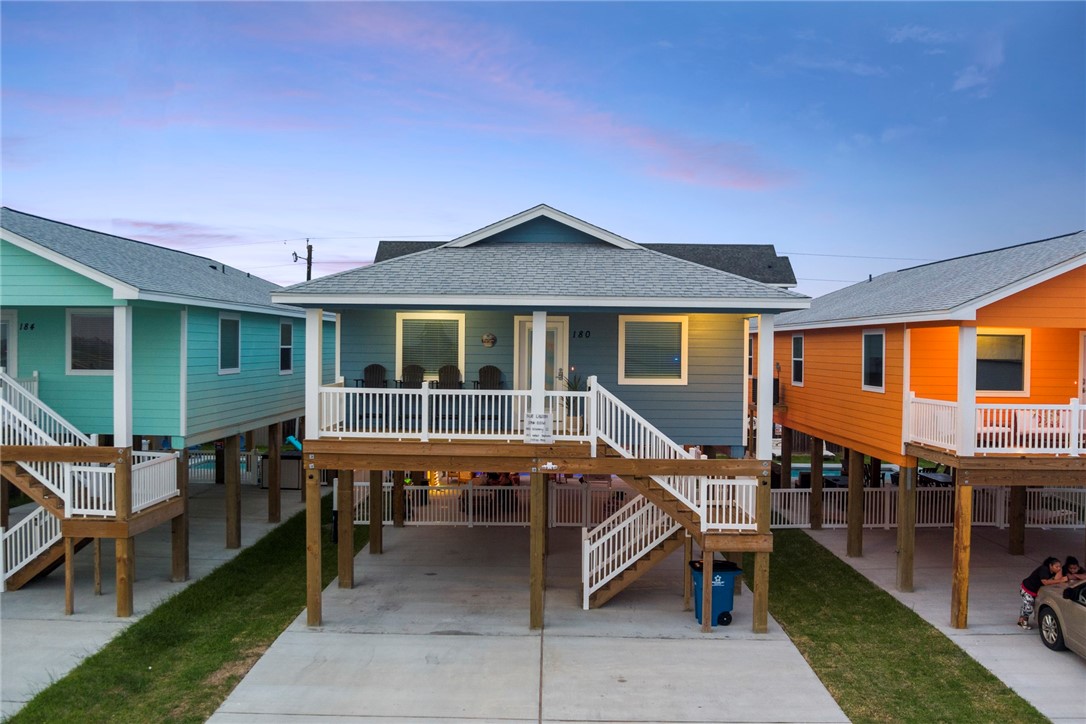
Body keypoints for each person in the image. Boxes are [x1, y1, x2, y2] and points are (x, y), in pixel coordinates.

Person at [1018, 557, 1066, 629]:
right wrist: (1061, 580)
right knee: (1029, 607)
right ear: (1050, 566)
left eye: (1060, 566)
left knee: (1031, 605)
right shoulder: (1044, 569)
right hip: (1027, 589)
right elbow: (1045, 582)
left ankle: (1022, 619)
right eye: (1057, 567)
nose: (1058, 568)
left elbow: (1056, 579)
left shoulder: (1054, 571)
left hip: (1035, 591)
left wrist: (1060, 571)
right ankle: (1022, 621)